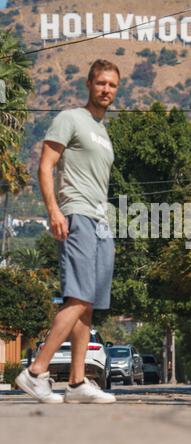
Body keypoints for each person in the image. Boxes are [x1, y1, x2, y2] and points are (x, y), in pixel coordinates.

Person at [16, 59, 120, 404]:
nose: (106, 90)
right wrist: (54, 210)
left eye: (112, 85)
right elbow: (45, 167)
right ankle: (35, 373)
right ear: (89, 83)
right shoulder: (69, 118)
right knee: (79, 297)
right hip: (76, 214)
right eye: (101, 83)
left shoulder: (103, 133)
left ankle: (77, 382)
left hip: (101, 221)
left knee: (88, 305)